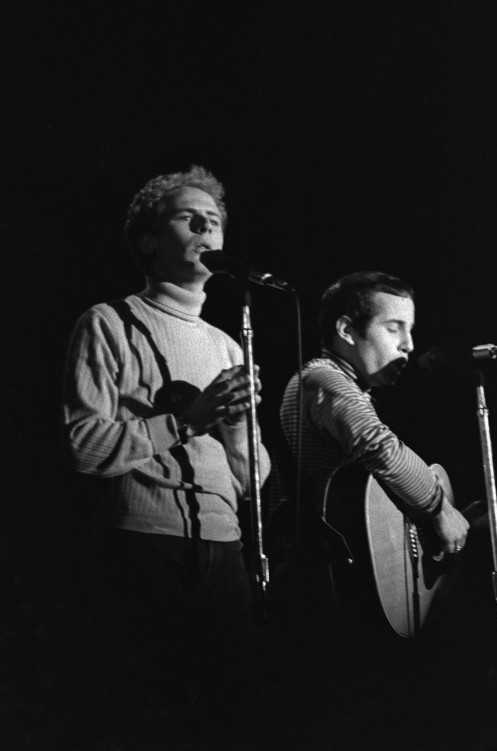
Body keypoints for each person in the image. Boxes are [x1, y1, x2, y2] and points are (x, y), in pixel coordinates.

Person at [61, 165, 271, 747]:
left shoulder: (228, 344)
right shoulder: (109, 323)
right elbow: (84, 448)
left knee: (230, 715)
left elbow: (250, 479)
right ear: (150, 241)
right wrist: (187, 420)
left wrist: (233, 431)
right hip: (142, 546)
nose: (208, 224)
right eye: (189, 216)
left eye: (216, 220)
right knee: (151, 718)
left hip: (224, 549)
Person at [267, 270, 470, 748]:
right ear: (346, 330)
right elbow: (375, 444)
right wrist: (437, 507)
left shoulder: (354, 388)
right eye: (394, 328)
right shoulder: (321, 378)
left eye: (411, 330)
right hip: (328, 583)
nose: (409, 345)